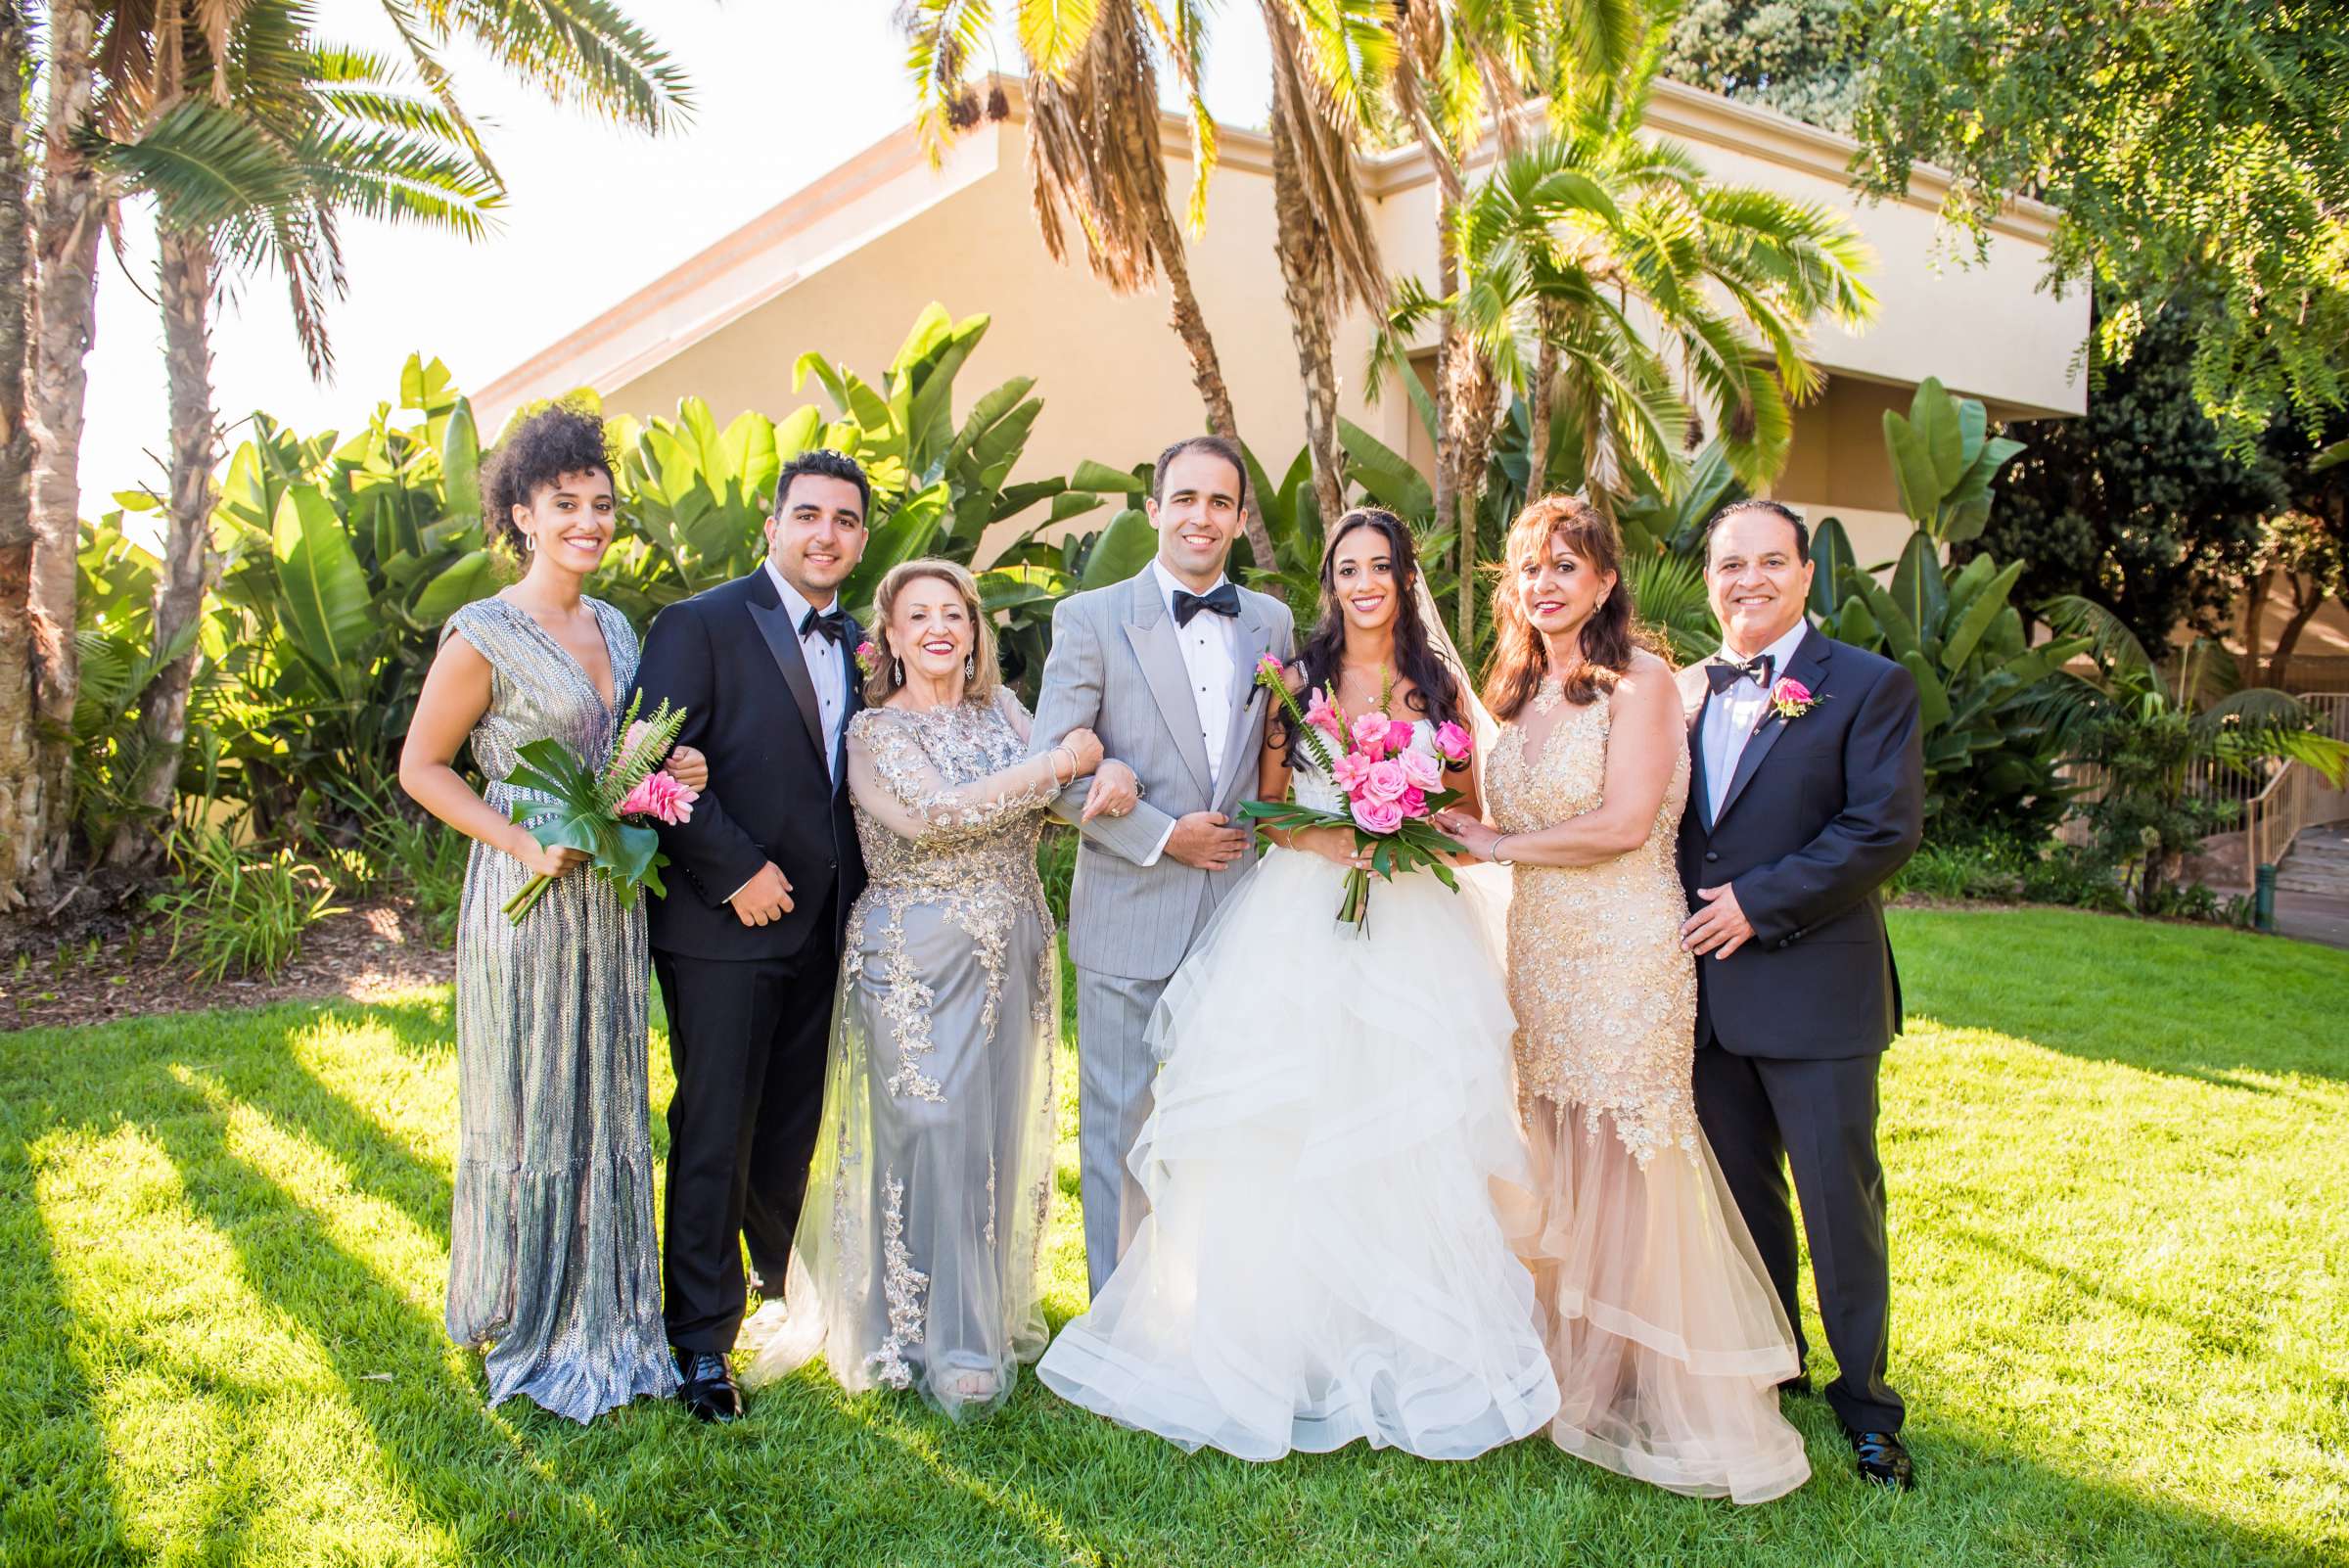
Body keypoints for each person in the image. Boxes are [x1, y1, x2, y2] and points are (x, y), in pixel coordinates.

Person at [1037, 509, 1558, 1461]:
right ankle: (1289, 1349)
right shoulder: (1300, 679)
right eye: (1346, 568)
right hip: (1301, 915)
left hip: (1411, 925)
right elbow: (1273, 812)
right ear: (1333, 583)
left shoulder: (1437, 684)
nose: (1363, 583)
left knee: (1403, 1124)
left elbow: (1467, 811)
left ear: (1405, 578)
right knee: (1293, 1128)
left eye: (1380, 566)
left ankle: (1402, 1342)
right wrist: (1350, 832)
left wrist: (1404, 829)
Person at [1438, 495, 1810, 1502]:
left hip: (1625, 946)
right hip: (1541, 949)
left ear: (1605, 581)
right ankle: (1580, 1365)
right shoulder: (1511, 694)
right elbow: (1471, 807)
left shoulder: (1643, 681)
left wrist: (1502, 847)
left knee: (1633, 1156)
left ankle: (1674, 1384)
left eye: (1568, 566)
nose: (1547, 584)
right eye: (1531, 569)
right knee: (1557, 1145)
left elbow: (1624, 820)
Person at [397, 402, 705, 1422]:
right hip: (526, 894)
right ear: (522, 511)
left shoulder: (615, 625)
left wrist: (669, 772)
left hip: (607, 898)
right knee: (535, 1093)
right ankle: (531, 1307)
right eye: (564, 502)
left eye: (602, 503)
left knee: (604, 1087)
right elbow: (422, 768)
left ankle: (607, 1307)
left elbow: (622, 761)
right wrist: (527, 841)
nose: (588, 519)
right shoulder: (482, 633)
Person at [745, 560, 1107, 1417]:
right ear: (893, 639)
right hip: (914, 954)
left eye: (956, 613)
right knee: (929, 1130)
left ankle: (977, 1316)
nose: (940, 627)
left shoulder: (1005, 712)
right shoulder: (876, 734)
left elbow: (1054, 800)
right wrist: (1057, 761)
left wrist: (1096, 775)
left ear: (975, 631)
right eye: (920, 616)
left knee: (992, 1133)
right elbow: (941, 815)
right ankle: (917, 1330)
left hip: (1012, 945)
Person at [1667, 498, 1925, 1489]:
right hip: (1706, 1003)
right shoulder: (1681, 692)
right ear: (1709, 578)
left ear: (1807, 574)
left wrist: (1757, 904)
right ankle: (1773, 1370)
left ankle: (1867, 1405)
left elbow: (1879, 831)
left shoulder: (1866, 686)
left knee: (1838, 1206)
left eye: (1771, 563)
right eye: (1731, 566)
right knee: (1744, 1207)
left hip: (1816, 994)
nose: (1749, 582)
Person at [627, 448, 873, 1422]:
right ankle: (697, 1341)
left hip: (828, 925)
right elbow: (642, 772)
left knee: (791, 1127)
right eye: (807, 514)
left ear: (860, 538)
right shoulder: (701, 624)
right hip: (723, 928)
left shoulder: (860, 640)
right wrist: (734, 872)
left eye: (845, 520)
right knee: (715, 1129)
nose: (825, 533)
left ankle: (785, 1286)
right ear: (771, 525)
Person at [1027, 436, 1296, 1298]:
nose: (1201, 518)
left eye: (1220, 502)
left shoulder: (1271, 623)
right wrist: (1159, 834)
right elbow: (1052, 772)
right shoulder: (1091, 618)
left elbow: (1284, 759)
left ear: (1239, 517)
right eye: (1184, 499)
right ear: (1153, 509)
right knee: (1118, 1119)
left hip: (1242, 917)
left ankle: (1213, 1305)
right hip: (1132, 903)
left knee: (1229, 1120)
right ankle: (1116, 1319)